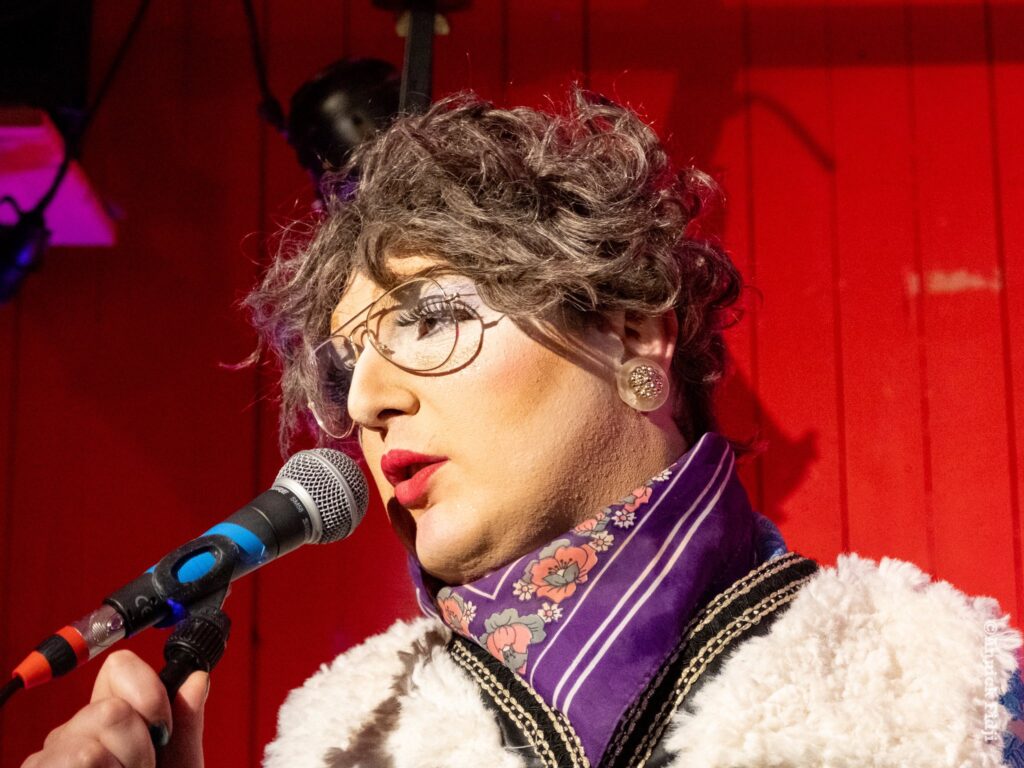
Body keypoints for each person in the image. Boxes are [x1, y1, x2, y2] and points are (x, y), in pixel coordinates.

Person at [24, 90, 1023, 768]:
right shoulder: (339, 736)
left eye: (428, 318)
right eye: (347, 362)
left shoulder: (940, 683)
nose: (366, 402)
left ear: (631, 330)